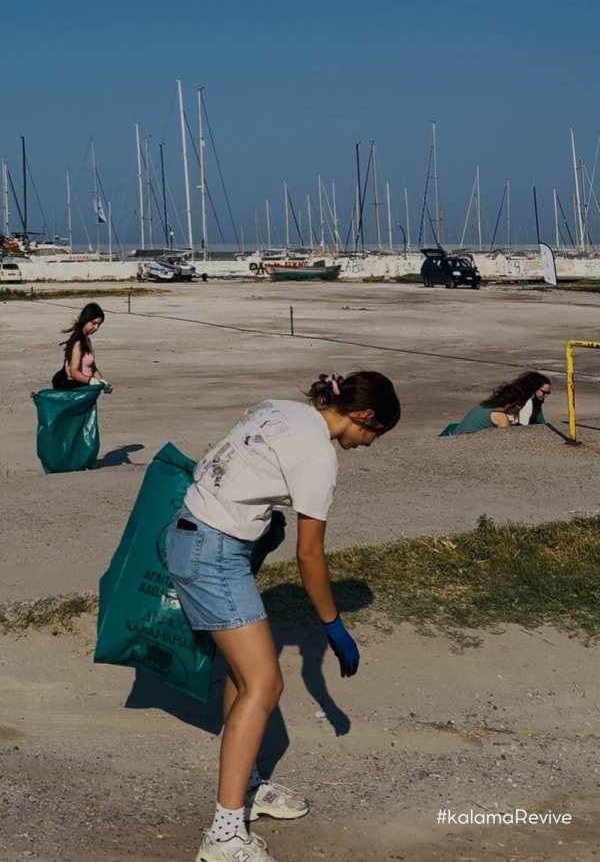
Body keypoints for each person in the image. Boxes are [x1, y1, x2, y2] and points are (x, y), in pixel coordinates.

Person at [166, 371, 401, 862]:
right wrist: (333, 624)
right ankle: (225, 835)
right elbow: (309, 556)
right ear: (363, 415)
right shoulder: (319, 457)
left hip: (196, 534)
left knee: (244, 673)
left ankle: (246, 786)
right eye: (373, 434)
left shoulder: (279, 407)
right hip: (213, 551)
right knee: (265, 685)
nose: (369, 444)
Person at [53, 302, 111, 391]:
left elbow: (92, 367)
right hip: (76, 388)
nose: (96, 328)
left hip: (85, 387)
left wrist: (102, 382)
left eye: (99, 324)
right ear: (85, 320)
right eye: (94, 323)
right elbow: (74, 372)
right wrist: (91, 381)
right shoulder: (78, 343)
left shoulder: (86, 341)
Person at [446, 377, 532, 435]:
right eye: (518, 407)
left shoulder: (484, 406)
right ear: (512, 404)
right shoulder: (500, 416)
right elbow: (504, 440)